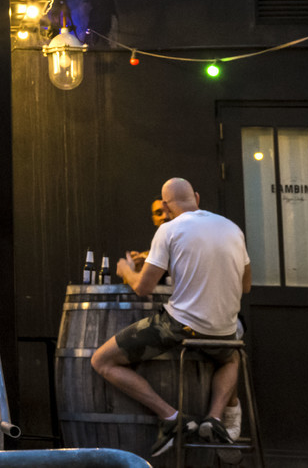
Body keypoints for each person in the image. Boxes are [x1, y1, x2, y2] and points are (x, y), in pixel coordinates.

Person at [90, 177, 251, 457]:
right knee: (232, 357)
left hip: (181, 327)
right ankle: (214, 419)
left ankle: (172, 417)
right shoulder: (232, 228)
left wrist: (126, 269)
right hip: (225, 331)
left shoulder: (169, 230)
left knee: (101, 360)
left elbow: (143, 288)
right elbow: (246, 285)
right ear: (197, 198)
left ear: (165, 206)